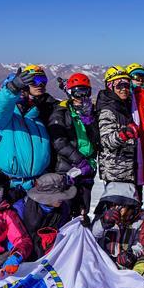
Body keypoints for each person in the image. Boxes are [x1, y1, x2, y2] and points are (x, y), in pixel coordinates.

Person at [0, 65, 54, 192]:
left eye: (43, 82)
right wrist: (12, 89)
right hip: (11, 186)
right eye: (34, 82)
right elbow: (1, 108)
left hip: (38, 185)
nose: (40, 85)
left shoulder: (37, 118)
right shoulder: (4, 120)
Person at [49, 73, 100, 218]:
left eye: (86, 92)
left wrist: (90, 123)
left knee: (83, 210)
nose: (81, 97)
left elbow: (97, 140)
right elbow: (59, 141)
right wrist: (79, 161)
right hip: (68, 168)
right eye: (77, 92)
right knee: (65, 210)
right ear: (70, 93)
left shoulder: (90, 112)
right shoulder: (61, 112)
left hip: (87, 169)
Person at [91, 183, 144, 277]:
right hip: (104, 263)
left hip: (128, 265)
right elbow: (92, 237)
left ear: (131, 206)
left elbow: (141, 244)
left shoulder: (142, 220)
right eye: (112, 205)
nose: (116, 209)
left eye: (121, 206)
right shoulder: (104, 217)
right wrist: (103, 223)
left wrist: (131, 255)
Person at [13, 173, 75, 258]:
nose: (61, 198)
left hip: (50, 254)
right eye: (56, 195)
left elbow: (63, 232)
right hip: (24, 253)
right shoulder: (20, 208)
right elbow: (14, 238)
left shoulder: (63, 208)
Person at [97, 66, 139, 185]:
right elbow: (106, 140)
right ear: (110, 87)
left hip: (132, 169)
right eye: (119, 86)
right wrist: (124, 134)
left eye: (126, 85)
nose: (123, 89)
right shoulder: (107, 110)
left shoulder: (128, 105)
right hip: (116, 172)